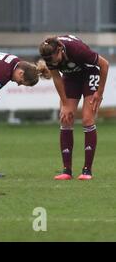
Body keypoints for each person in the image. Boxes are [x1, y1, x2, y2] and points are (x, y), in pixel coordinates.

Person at [39, 35, 109, 180]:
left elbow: (104, 64)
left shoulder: (77, 50)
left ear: (60, 49)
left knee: (87, 119)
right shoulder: (49, 55)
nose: (51, 63)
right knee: (65, 118)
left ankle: (87, 171)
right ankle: (67, 170)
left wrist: (99, 93)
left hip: (89, 73)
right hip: (71, 77)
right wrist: (64, 104)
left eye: (53, 59)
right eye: (48, 61)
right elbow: (57, 78)